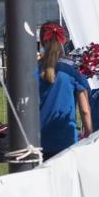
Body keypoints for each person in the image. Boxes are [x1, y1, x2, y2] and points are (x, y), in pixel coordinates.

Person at [37, 22, 92, 160]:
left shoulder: (34, 68)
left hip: (38, 139)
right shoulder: (73, 69)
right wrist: (89, 134)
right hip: (66, 138)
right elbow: (84, 110)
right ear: (63, 41)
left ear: (42, 41)